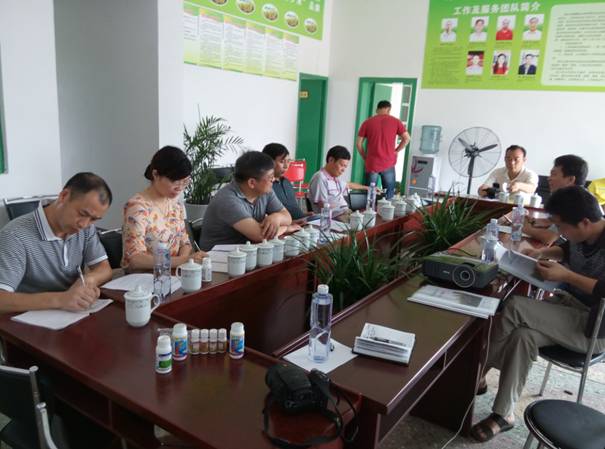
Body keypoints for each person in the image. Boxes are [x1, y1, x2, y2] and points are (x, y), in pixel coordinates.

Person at [471, 186, 605, 442]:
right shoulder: (583, 233)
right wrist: (542, 252)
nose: (560, 233)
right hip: (569, 309)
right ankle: (504, 415)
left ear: (585, 222)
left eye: (562, 227)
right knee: (523, 336)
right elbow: (567, 249)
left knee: (515, 306)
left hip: (594, 328)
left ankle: (478, 374)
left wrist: (567, 276)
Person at [0, 172, 113, 313]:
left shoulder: (86, 229)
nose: (84, 224)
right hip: (28, 319)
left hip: (71, 314)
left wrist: (86, 283)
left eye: (94, 219)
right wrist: (61, 299)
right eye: (82, 214)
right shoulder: (15, 236)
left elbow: (104, 269)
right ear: (64, 196)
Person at [122, 146, 206, 271]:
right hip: (146, 277)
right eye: (174, 181)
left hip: (174, 273)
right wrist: (183, 261)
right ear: (156, 174)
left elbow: (185, 243)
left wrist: (184, 263)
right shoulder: (138, 207)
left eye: (185, 182)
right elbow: (134, 259)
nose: (180, 187)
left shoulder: (176, 205)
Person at [199, 151, 294, 251]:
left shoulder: (265, 191)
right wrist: (286, 228)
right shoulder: (227, 200)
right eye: (270, 177)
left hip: (247, 250)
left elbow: (288, 217)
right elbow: (260, 236)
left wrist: (276, 217)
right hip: (219, 256)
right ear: (252, 183)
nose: (273, 180)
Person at [523, 155, 588, 244]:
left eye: (554, 174)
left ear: (570, 179)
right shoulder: (577, 196)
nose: (549, 178)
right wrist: (536, 221)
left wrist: (525, 228)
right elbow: (556, 223)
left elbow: (548, 238)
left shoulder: (575, 202)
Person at [356, 100, 410, 199]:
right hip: (388, 162)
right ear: (389, 109)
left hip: (372, 163)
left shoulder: (367, 122)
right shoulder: (396, 121)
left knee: (370, 194)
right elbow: (407, 139)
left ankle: (369, 208)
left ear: (377, 109)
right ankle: (386, 208)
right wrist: (396, 151)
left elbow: (358, 144)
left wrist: (365, 157)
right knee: (388, 195)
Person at [308, 146, 369, 215]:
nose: (343, 170)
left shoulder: (334, 178)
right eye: (342, 165)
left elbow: (348, 185)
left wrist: (368, 188)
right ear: (331, 160)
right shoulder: (320, 178)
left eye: (345, 167)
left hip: (345, 212)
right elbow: (323, 205)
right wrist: (341, 209)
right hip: (334, 217)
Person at [262, 143, 310, 223]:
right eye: (282, 162)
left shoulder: (287, 182)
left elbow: (292, 209)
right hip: (287, 228)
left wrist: (305, 215)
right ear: (269, 162)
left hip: (301, 223)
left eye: (288, 161)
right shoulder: (265, 187)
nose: (286, 166)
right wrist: (295, 222)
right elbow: (270, 220)